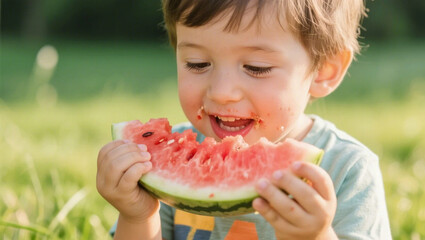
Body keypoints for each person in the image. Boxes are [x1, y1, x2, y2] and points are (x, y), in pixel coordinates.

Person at [96, 0, 392, 239]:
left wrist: (315, 236)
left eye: (256, 67)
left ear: (325, 70)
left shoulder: (348, 169)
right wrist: (137, 215)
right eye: (197, 64)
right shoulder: (156, 164)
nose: (222, 93)